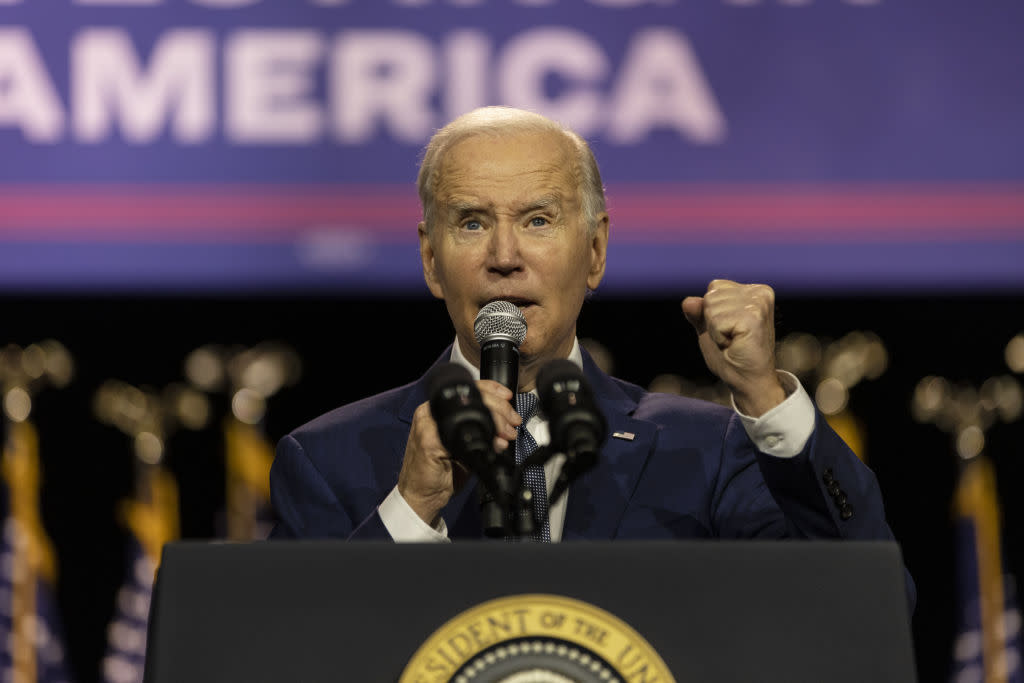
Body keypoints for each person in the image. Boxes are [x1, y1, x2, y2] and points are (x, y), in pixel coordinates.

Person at [269, 106, 913, 606]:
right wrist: (410, 508)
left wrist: (767, 401)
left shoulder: (707, 451)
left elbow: (866, 603)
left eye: (538, 220)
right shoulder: (328, 460)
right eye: (470, 222)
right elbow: (292, 656)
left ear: (596, 251)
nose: (503, 255)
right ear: (432, 260)